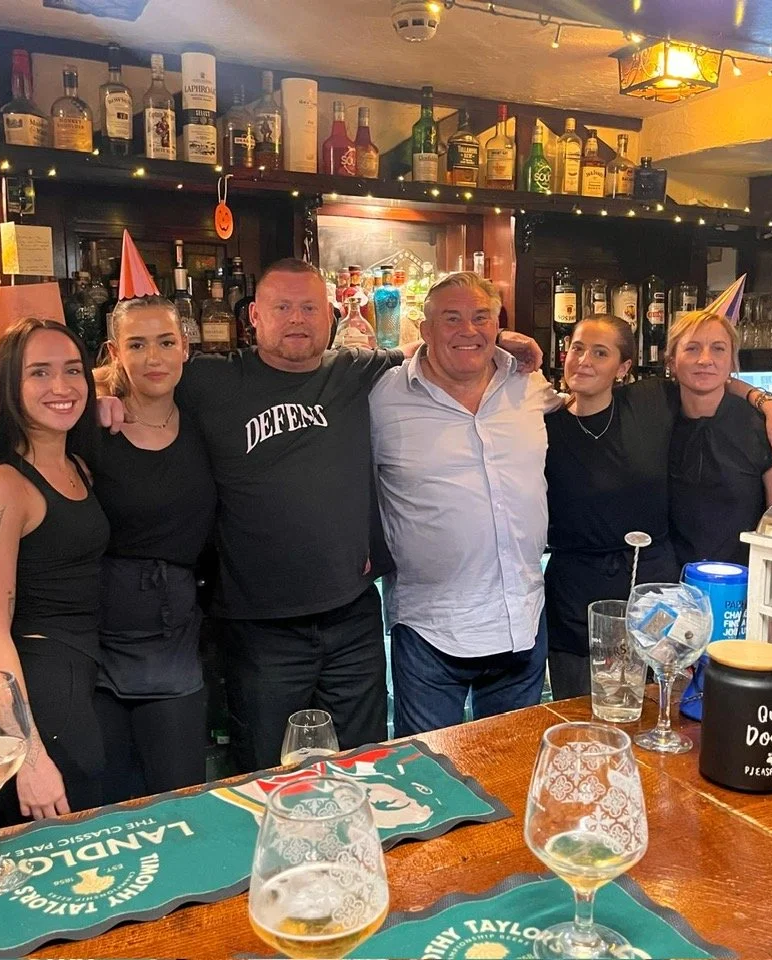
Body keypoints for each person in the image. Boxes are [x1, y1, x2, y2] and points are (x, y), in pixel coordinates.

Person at [100, 258, 542, 772]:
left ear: (330, 317)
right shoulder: (210, 380)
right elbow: (144, 371)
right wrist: (104, 395)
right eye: (282, 307)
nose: (297, 319)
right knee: (269, 775)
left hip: (353, 617)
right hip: (258, 624)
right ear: (254, 318)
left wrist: (503, 337)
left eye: (309, 307)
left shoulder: (356, 372)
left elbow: (439, 344)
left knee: (368, 769)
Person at [543, 314, 772, 700]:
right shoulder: (549, 422)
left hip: (674, 590)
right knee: (579, 710)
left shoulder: (653, 404)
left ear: (623, 366)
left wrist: (767, 400)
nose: (704, 359)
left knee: (661, 706)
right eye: (578, 349)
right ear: (671, 361)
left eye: (601, 352)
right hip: (577, 595)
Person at [370, 273, 559, 736]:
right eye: (451, 318)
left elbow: (602, 393)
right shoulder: (381, 397)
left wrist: (757, 398)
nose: (467, 330)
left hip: (523, 620)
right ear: (424, 329)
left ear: (498, 325)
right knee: (428, 777)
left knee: (513, 771)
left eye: (481, 318)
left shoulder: (530, 386)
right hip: (429, 630)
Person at [0, 317, 109, 819]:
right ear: (9, 388)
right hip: (41, 692)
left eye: (73, 371)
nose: (60, 387)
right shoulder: (0, 485)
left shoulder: (75, 465)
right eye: (38, 373)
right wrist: (28, 756)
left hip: (83, 677)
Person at [90, 295, 215, 802]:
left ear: (185, 347)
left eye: (166, 342)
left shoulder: (205, 418)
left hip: (177, 639)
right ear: (115, 353)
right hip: (97, 641)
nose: (154, 358)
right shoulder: (92, 426)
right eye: (137, 345)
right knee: (105, 807)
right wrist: (94, 394)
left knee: (181, 798)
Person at [666, 309, 772, 568]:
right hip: (667, 583)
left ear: (733, 362)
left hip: (739, 583)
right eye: (692, 348)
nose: (705, 359)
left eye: (718, 349)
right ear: (670, 361)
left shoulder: (762, 429)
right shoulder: (654, 414)